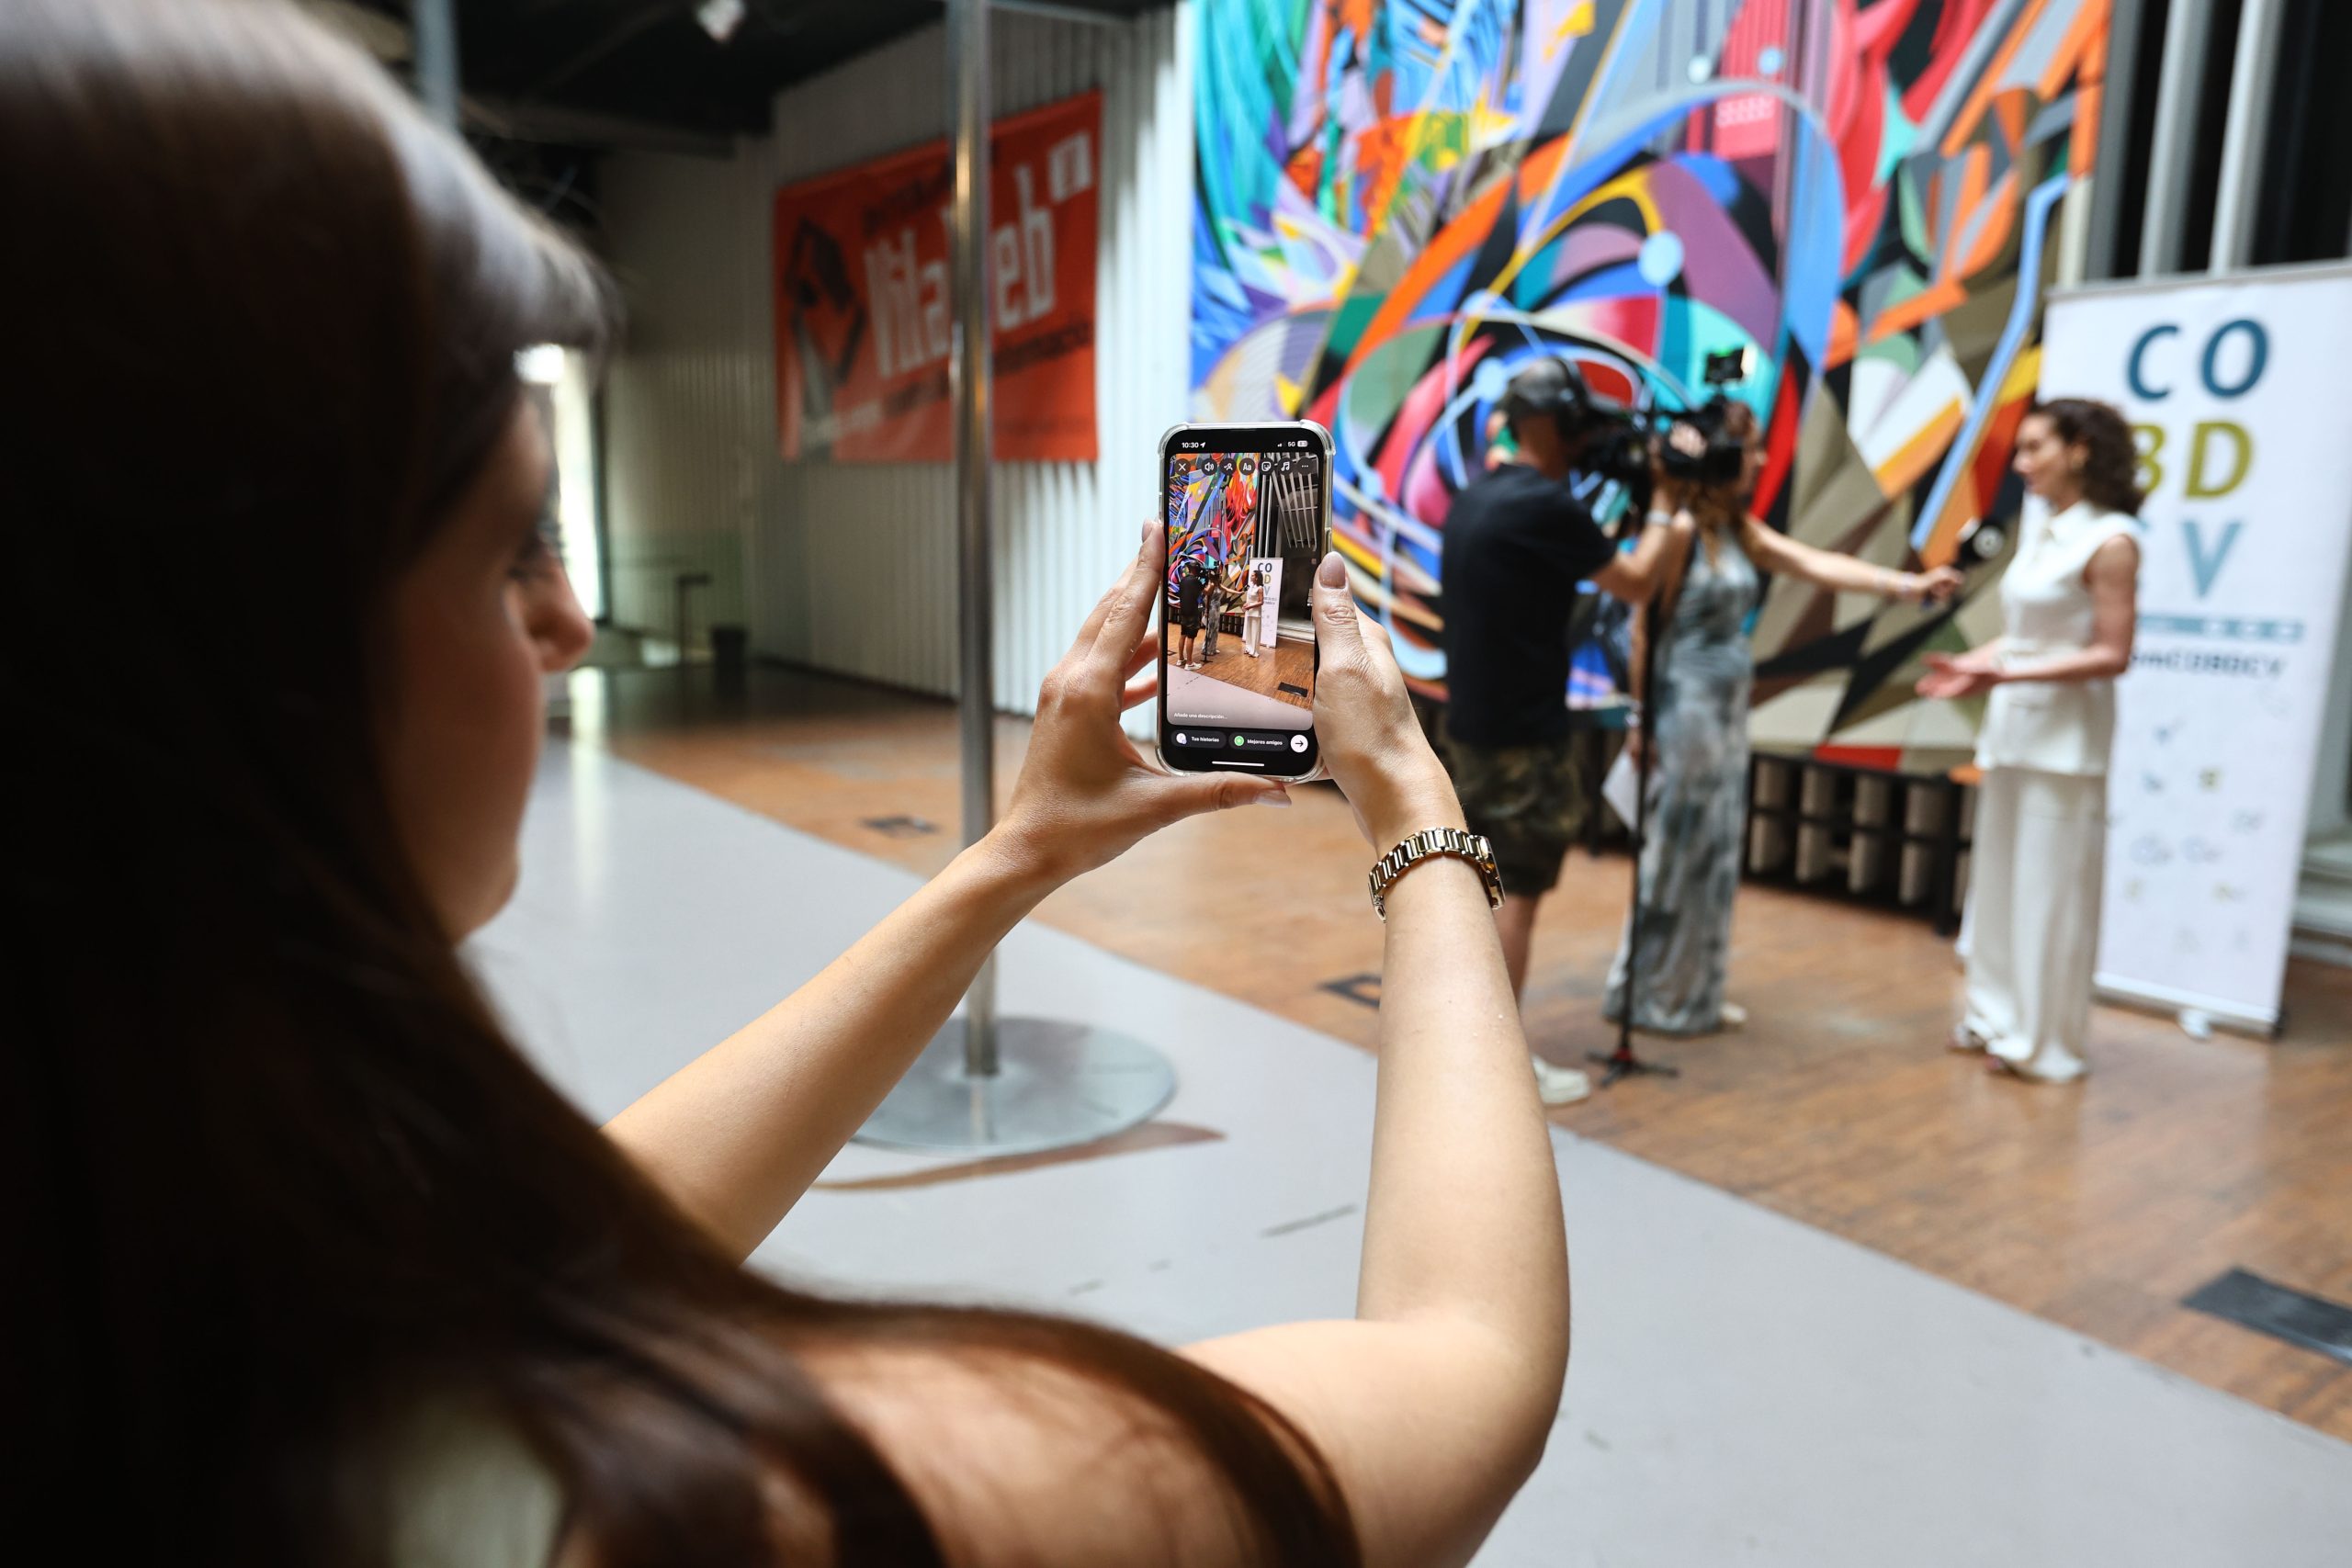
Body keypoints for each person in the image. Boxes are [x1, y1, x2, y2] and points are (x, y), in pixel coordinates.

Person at [6, 4, 1570, 1564]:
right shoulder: (702, 1507)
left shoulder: (190, 1292)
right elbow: (1464, 1369)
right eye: (512, 546)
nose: (567, 621)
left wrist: (1015, 855)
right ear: (240, 652)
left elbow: (576, 1238)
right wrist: (1413, 810)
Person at [1604, 401, 1962, 1035]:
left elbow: (1814, 563)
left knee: (1715, 848)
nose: (1762, 459)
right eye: (1751, 448)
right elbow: (1642, 629)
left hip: (1724, 708)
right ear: (1722, 455)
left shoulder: (1734, 528)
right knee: (1679, 847)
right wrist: (1640, 719)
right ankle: (1648, 992)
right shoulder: (1681, 530)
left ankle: (1694, 989)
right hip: (1686, 706)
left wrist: (1906, 587)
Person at [1440, 357, 1690, 1104]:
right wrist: (1667, 507)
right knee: (1515, 895)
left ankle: (1461, 1044)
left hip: (1472, 727)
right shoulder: (1546, 506)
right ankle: (1499, 1067)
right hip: (1524, 736)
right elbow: (1636, 581)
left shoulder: (1477, 496)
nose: (1585, 439)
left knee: (1478, 891)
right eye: (1576, 423)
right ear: (1548, 425)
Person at [1918, 398, 2144, 1083]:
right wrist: (1973, 667)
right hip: (2014, 731)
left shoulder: (2111, 540)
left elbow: (2112, 653)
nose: (2021, 464)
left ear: (2080, 449)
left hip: (2066, 744)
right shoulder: (2044, 530)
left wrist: (2005, 674)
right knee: (1998, 885)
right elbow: (2025, 638)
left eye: (2035, 448)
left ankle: (2043, 1043)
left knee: (2050, 894)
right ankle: (1993, 1017)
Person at [1174, 558, 1206, 667]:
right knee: (1191, 637)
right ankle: (1189, 663)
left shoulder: (1183, 580)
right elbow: (1206, 592)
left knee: (1183, 634)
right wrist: (1211, 583)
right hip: (1193, 612)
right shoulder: (1196, 581)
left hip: (1184, 611)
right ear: (1196, 570)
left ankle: (1180, 659)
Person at [1242, 566, 1268, 656]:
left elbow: (1261, 602)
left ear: (1257, 578)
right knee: (1249, 631)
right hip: (1249, 611)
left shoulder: (1260, 588)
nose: (1251, 576)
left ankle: (1254, 651)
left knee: (1255, 632)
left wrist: (1250, 606)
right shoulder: (1251, 587)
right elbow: (1250, 599)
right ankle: (1248, 648)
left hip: (1256, 613)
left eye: (1253, 575)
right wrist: (1246, 604)